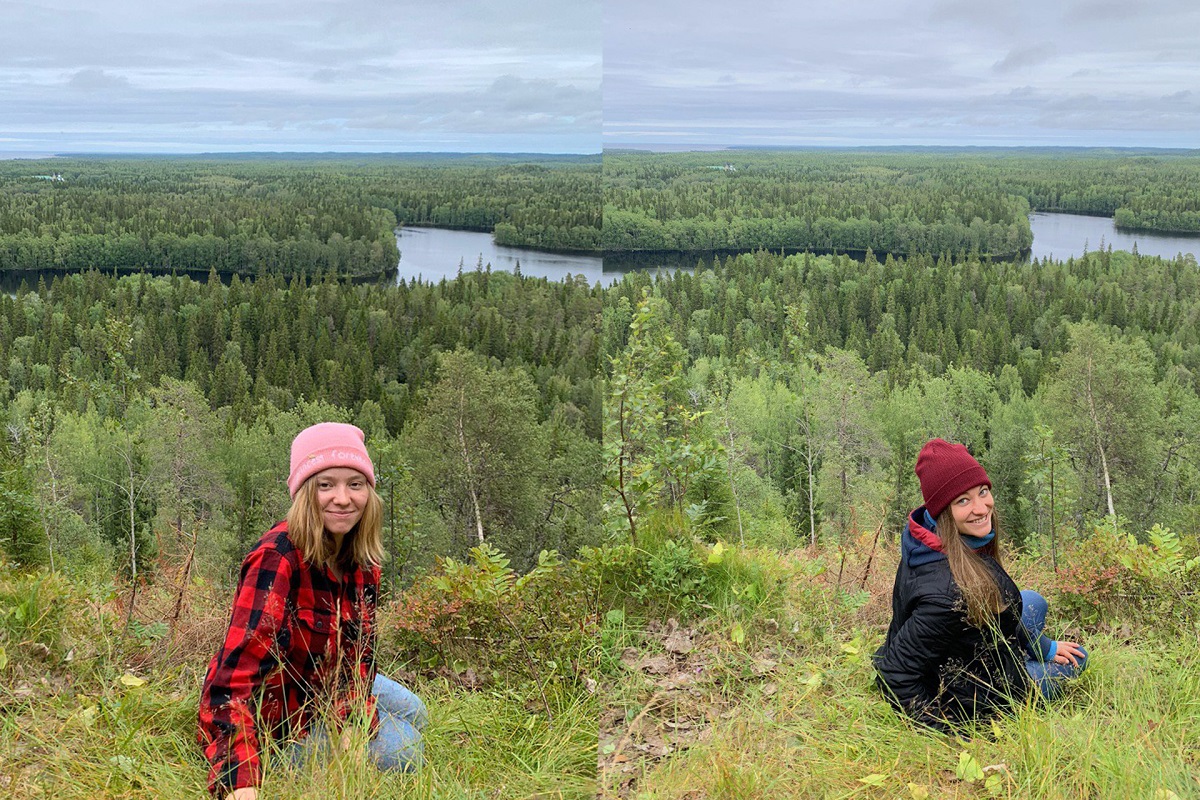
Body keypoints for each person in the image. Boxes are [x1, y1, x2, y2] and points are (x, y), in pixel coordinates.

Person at [199, 422, 427, 799]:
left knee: (417, 713)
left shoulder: (363, 560)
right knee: (404, 748)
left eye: (355, 484)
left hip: (323, 679)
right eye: (326, 485)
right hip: (282, 713)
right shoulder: (278, 559)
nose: (342, 498)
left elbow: (359, 657)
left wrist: (353, 722)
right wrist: (241, 784)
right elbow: (228, 687)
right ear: (305, 492)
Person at [873, 438, 1088, 733]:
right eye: (963, 500)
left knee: (1032, 599)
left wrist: (1045, 647)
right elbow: (893, 675)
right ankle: (1027, 676)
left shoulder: (928, 539)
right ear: (943, 510)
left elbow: (1002, 611)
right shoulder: (946, 596)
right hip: (978, 691)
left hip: (972, 644)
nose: (981, 507)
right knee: (1081, 659)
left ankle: (1032, 650)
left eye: (983, 492)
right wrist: (953, 732)